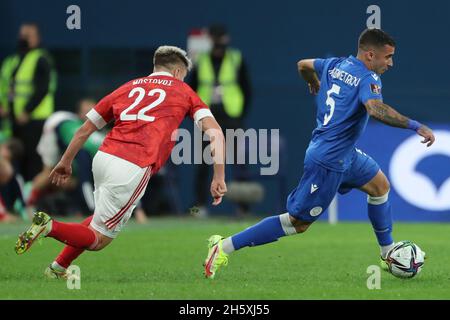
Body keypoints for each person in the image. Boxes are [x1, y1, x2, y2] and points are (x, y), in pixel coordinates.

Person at [203, 28, 435, 279]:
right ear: (370, 55)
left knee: (380, 187)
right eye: (387, 57)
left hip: (345, 153)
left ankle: (387, 252)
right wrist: (416, 126)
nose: (391, 63)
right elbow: (376, 109)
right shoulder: (368, 78)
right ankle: (223, 246)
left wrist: (313, 81)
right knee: (297, 223)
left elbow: (303, 65)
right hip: (328, 159)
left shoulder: (336, 65)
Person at [14, 46, 227, 279]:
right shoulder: (184, 91)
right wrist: (218, 176)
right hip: (132, 165)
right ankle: (49, 227)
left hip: (104, 157)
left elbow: (84, 130)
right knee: (99, 239)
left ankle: (58, 268)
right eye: (184, 76)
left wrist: (65, 161)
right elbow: (215, 134)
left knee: (98, 219)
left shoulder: (128, 86)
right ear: (177, 72)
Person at [190, 24, 251, 216]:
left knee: (239, 162)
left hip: (231, 117)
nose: (219, 44)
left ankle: (243, 207)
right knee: (203, 162)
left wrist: (239, 114)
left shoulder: (236, 58)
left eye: (221, 39)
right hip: (207, 117)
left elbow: (247, 88)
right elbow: (192, 89)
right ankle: (200, 207)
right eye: (215, 39)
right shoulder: (201, 60)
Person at [0, 23, 57, 181]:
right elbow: (4, 87)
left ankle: (33, 200)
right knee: (15, 162)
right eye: (22, 35)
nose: (23, 39)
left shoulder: (41, 59)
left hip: (35, 121)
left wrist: (27, 111)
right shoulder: (11, 61)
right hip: (14, 122)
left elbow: (43, 89)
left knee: (34, 162)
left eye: (28, 36)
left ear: (37, 38)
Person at [27, 98, 104, 216]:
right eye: (87, 110)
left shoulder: (84, 127)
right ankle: (27, 202)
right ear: (79, 112)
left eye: (92, 110)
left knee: (70, 178)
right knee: (48, 172)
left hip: (62, 141)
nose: (90, 114)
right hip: (51, 134)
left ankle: (74, 207)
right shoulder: (68, 125)